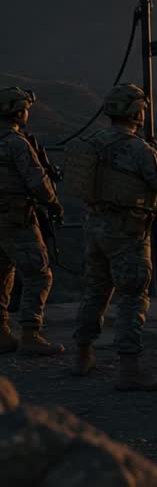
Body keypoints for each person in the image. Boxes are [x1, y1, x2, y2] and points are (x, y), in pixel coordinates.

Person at [66, 84, 157, 390]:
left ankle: (82, 355)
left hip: (94, 226)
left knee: (95, 292)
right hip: (128, 232)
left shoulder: (93, 142)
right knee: (132, 296)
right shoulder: (139, 149)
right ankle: (129, 370)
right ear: (137, 112)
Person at [0, 87, 65, 356]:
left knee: (3, 274)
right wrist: (53, 203)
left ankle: (2, 334)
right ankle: (30, 334)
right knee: (39, 274)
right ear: (19, 111)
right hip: (16, 219)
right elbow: (38, 183)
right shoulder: (17, 143)